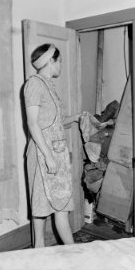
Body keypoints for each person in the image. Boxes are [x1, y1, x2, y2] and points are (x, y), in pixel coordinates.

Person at [24, 43, 80, 248]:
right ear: (51, 61)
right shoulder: (34, 84)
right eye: (60, 61)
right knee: (44, 205)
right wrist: (48, 155)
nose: (61, 65)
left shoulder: (47, 84)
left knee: (59, 204)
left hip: (55, 153)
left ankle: (50, 251)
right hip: (42, 154)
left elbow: (52, 121)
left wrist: (74, 118)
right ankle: (68, 253)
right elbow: (33, 123)